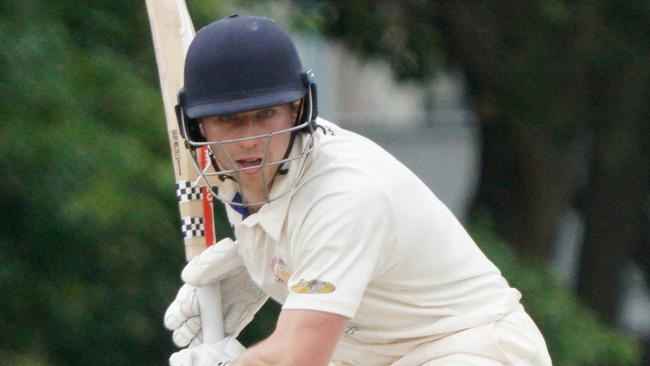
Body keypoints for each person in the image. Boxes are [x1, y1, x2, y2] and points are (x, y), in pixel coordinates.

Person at [163, 14, 553, 366]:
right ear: (199, 126)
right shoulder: (232, 174)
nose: (250, 142)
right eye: (229, 120)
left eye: (266, 114)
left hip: (467, 346)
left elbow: (299, 357)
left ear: (298, 109)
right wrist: (255, 272)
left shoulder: (344, 194)